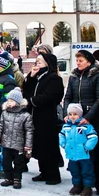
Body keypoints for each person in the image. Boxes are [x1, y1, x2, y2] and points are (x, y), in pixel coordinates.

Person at [63, 49, 99, 195]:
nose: (78, 63)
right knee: (77, 153)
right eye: (77, 60)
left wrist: (88, 117)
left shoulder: (98, 76)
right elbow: (68, 97)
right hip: (75, 120)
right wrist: (67, 114)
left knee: (94, 154)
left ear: (89, 62)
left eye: (81, 60)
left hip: (93, 121)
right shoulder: (73, 77)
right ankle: (79, 183)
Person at [23, 52, 64, 185]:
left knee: (49, 147)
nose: (37, 64)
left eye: (40, 62)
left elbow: (50, 96)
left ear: (47, 64)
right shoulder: (38, 77)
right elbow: (27, 92)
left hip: (47, 117)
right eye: (37, 61)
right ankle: (44, 172)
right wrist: (31, 77)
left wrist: (31, 101)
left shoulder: (53, 78)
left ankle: (53, 175)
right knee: (40, 146)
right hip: (36, 116)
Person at [0, 88, 34, 190]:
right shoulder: (5, 113)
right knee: (6, 162)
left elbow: (29, 131)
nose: (9, 103)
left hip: (19, 144)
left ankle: (17, 179)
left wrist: (28, 147)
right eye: (8, 100)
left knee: (18, 163)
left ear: (17, 102)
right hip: (6, 143)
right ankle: (9, 177)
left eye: (12, 101)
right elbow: (0, 128)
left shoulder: (25, 115)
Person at [60, 103, 99, 196]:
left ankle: (87, 187)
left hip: (83, 154)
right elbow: (61, 135)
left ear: (80, 114)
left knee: (87, 171)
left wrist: (87, 147)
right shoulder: (66, 126)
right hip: (72, 154)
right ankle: (77, 185)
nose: (72, 117)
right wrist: (63, 144)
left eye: (75, 114)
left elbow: (93, 137)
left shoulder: (86, 126)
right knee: (74, 170)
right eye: (70, 114)